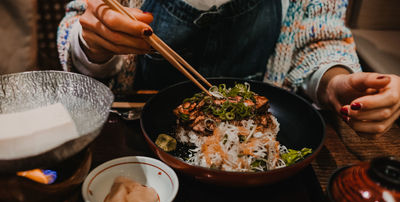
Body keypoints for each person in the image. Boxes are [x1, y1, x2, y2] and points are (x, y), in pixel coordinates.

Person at [57, 0, 400, 139]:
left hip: (258, 141)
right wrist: (93, 44)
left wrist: (337, 82)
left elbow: (318, 37)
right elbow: (80, 18)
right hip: (135, 134)